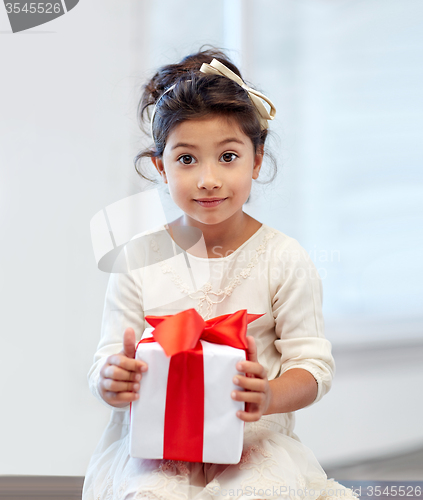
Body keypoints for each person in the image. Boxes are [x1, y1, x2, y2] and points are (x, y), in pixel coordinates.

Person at [82, 48, 358, 500]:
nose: (208, 179)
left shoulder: (284, 258)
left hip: (253, 445)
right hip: (157, 447)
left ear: (255, 159)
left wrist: (268, 395)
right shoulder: (137, 257)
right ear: (161, 167)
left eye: (227, 156)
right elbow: (106, 362)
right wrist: (113, 377)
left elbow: (312, 367)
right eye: (187, 160)